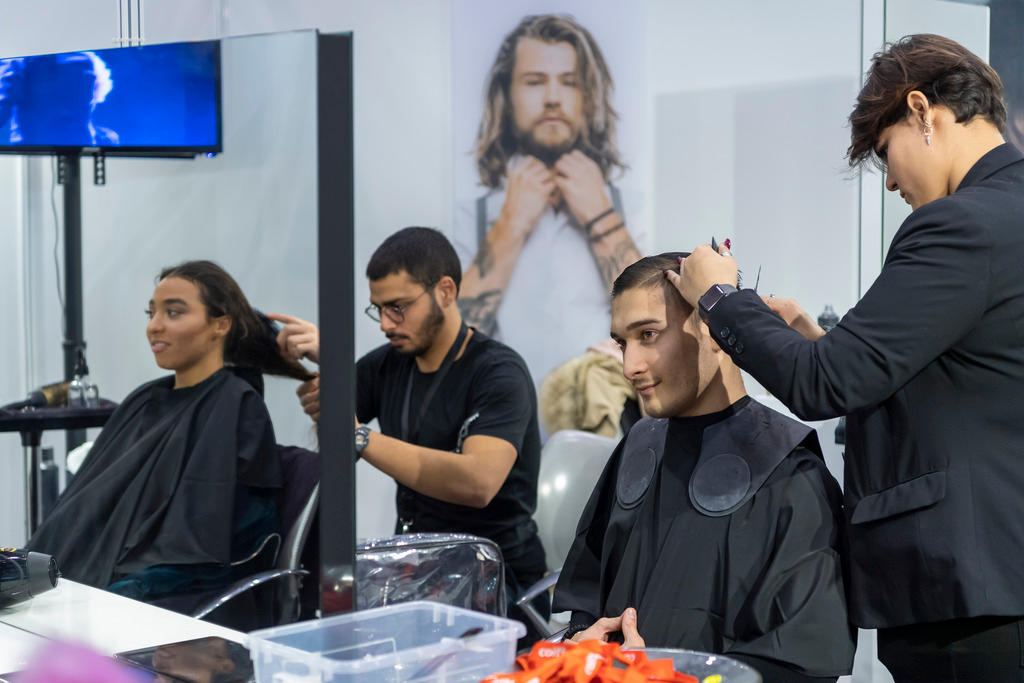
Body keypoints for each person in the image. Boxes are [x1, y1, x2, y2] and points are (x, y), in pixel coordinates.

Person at [671, 34, 1024, 682]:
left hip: (971, 603)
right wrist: (815, 340)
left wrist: (719, 296)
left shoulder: (962, 225)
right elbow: (953, 376)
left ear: (922, 110)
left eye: (886, 155)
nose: (891, 183)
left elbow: (823, 381)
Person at [552, 253, 854, 683]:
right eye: (623, 342)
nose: (629, 366)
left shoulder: (789, 472)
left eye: (649, 334)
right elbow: (588, 592)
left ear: (715, 331)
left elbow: (801, 662)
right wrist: (584, 646)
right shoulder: (638, 446)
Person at [270, 227, 547, 633]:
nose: (385, 323)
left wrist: (359, 436)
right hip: (417, 568)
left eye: (398, 307)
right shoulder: (388, 364)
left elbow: (478, 482)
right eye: (378, 309)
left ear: (446, 291)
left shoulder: (497, 373)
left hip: (494, 575)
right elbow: (332, 437)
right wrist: (328, 384)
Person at [28, 260, 313, 622]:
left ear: (220, 325)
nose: (154, 326)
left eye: (174, 313)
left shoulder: (233, 402)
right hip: (98, 576)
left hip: (170, 597)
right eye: (151, 313)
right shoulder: (143, 401)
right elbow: (86, 507)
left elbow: (210, 535)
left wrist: (129, 588)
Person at [453, 13, 644, 388]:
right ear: (506, 97)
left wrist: (600, 216)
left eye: (570, 82)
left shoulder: (631, 209)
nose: (553, 98)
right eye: (535, 82)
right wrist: (511, 223)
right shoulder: (471, 217)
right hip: (501, 429)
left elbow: (655, 323)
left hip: (608, 434)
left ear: (588, 98)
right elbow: (451, 344)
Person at [0, 51, 119, 146]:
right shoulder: (85, 60)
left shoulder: (21, 61)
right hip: (80, 146)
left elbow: (3, 106)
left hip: (34, 146)